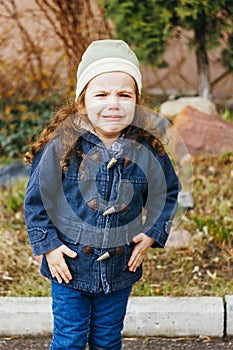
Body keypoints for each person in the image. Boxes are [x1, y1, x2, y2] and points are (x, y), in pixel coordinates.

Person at [24, 39, 181, 350]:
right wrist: (49, 248)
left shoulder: (147, 149)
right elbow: (37, 201)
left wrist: (152, 233)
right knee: (69, 340)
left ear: (137, 101)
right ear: (83, 102)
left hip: (120, 270)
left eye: (124, 94)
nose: (114, 102)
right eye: (102, 94)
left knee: (107, 341)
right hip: (70, 270)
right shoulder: (62, 146)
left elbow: (167, 192)